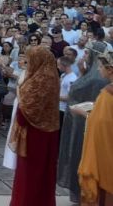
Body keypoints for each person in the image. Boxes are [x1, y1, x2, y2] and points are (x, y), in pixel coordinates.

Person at [58, 40, 111, 203]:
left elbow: (76, 92)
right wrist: (82, 72)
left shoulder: (98, 79)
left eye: (87, 52)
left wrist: (82, 111)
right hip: (81, 122)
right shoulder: (90, 73)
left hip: (87, 125)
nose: (84, 55)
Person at [9, 46, 60, 206]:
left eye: (30, 60)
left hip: (34, 135)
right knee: (45, 172)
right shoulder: (52, 76)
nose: (28, 63)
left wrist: (20, 93)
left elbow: (25, 114)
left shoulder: (39, 81)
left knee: (30, 173)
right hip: (49, 131)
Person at [76, 50, 113, 206]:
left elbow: (102, 124)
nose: (98, 69)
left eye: (100, 66)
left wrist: (85, 114)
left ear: (110, 70)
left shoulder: (108, 94)